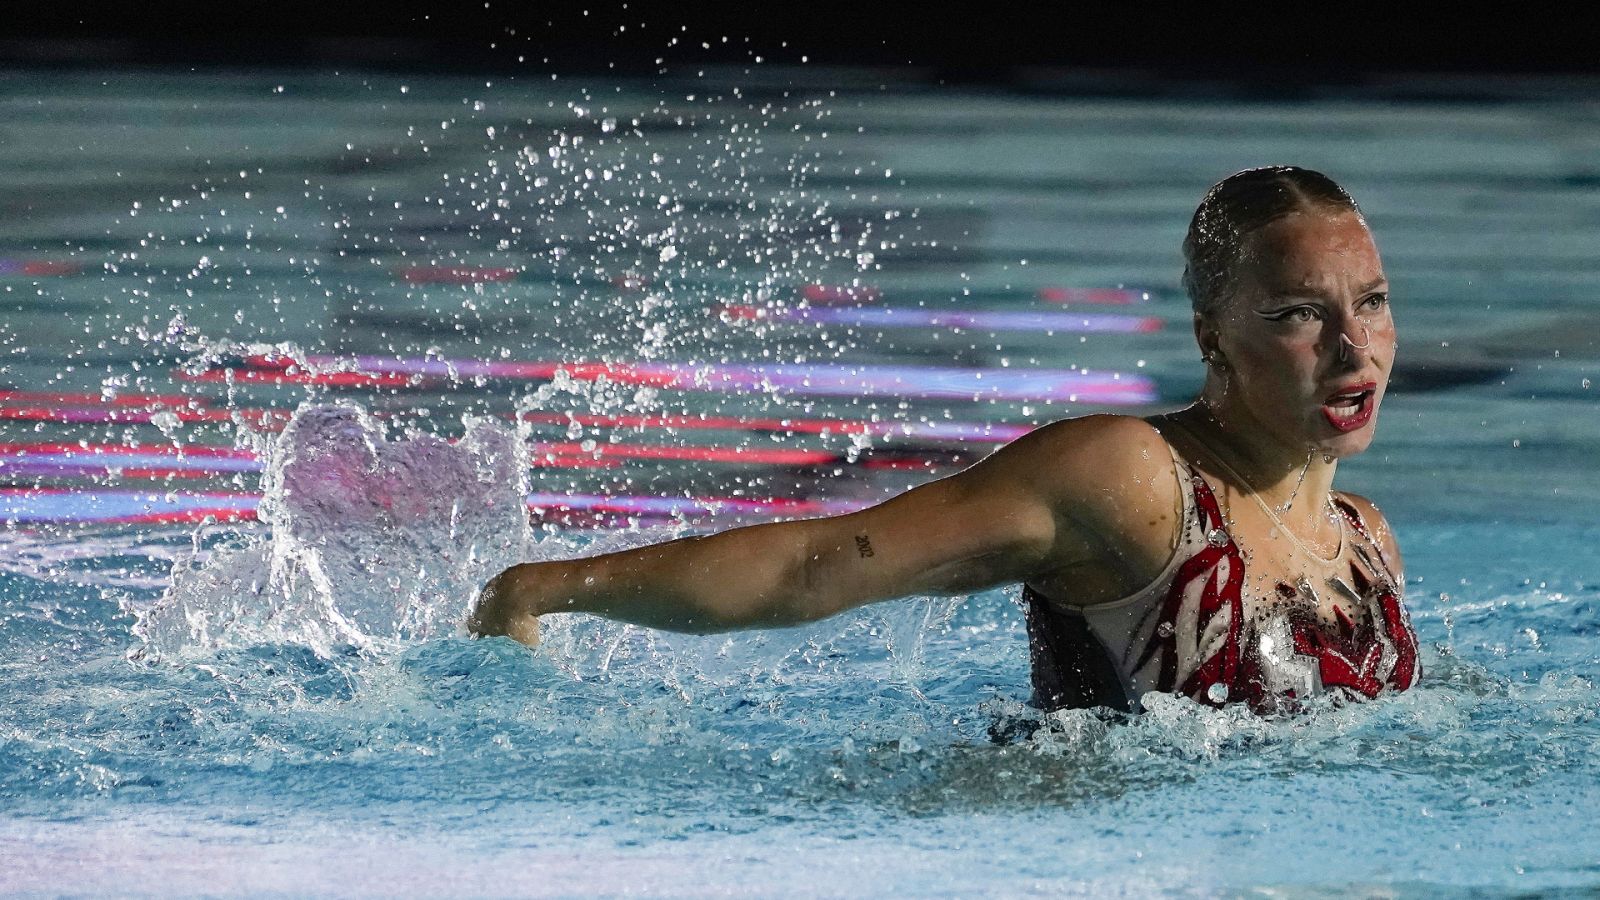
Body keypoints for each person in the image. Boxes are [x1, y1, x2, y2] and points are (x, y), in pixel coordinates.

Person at [469, 166, 1420, 714]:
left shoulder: (1366, 542)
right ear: (1213, 336)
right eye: (1300, 313)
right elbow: (818, 566)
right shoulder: (1135, 479)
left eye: (1371, 303)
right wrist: (551, 587)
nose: (1354, 348)